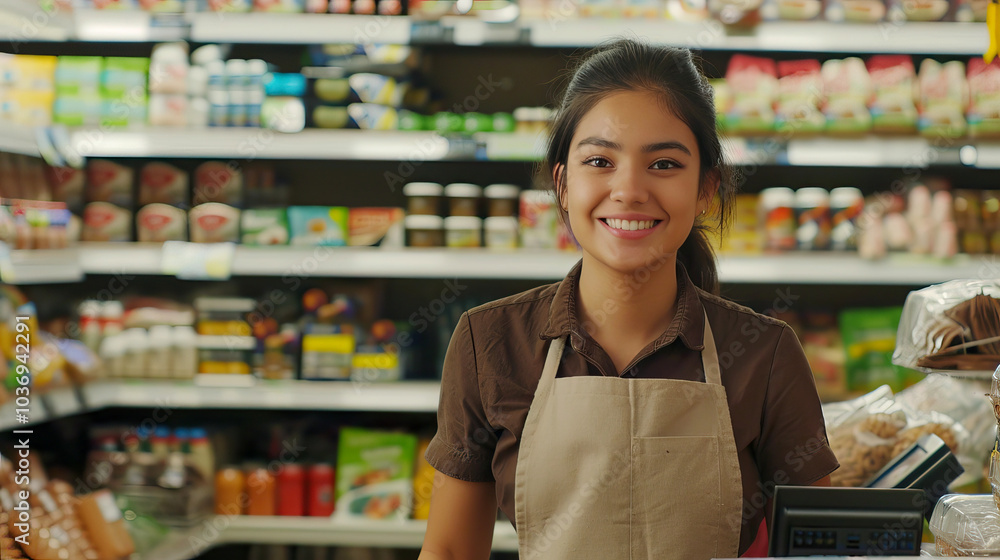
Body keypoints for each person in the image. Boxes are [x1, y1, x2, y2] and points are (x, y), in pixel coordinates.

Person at [418, 39, 839, 560]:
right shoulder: (490, 343)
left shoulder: (765, 354)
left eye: (664, 164)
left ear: (706, 188)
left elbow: (820, 553)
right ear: (563, 183)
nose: (630, 190)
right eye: (599, 160)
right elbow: (451, 552)